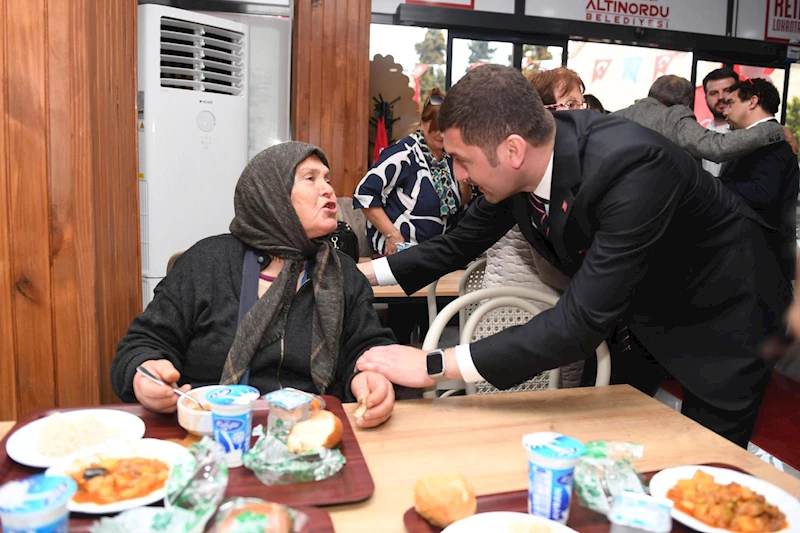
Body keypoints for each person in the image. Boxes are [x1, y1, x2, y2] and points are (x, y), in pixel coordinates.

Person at [355, 65, 791, 447]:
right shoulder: (524, 163)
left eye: (462, 160)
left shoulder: (631, 166)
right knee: (607, 442)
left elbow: (578, 322)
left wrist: (434, 364)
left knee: (704, 469)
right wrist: (360, 276)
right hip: (645, 311)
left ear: (512, 150)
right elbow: (457, 244)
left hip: (726, 316)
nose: (460, 176)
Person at [112, 142, 396, 428]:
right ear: (271, 194)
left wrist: (369, 376)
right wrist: (146, 373)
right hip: (209, 429)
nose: (327, 190)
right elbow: (143, 344)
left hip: (312, 429)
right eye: (310, 178)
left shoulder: (343, 273)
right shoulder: (206, 263)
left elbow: (369, 348)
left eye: (327, 179)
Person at [354, 88, 472, 256]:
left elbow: (459, 204)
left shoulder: (451, 157)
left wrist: (464, 185)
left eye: (446, 128)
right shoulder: (405, 153)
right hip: (401, 252)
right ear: (422, 123)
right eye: (435, 127)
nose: (440, 134)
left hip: (438, 251)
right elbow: (364, 194)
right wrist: (392, 235)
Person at [720, 78, 799, 281]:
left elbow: (762, 193)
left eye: (731, 103)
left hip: (761, 260)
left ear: (753, 102)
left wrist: (714, 185)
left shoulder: (773, 143)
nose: (725, 111)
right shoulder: (762, 139)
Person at [613, 75, 793, 163]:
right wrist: (773, 129)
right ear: (684, 104)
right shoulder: (672, 117)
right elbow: (717, 147)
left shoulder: (613, 117)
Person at [701, 68, 739, 177]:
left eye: (727, 90)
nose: (721, 97)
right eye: (714, 93)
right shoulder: (700, 135)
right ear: (706, 98)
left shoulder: (752, 132)